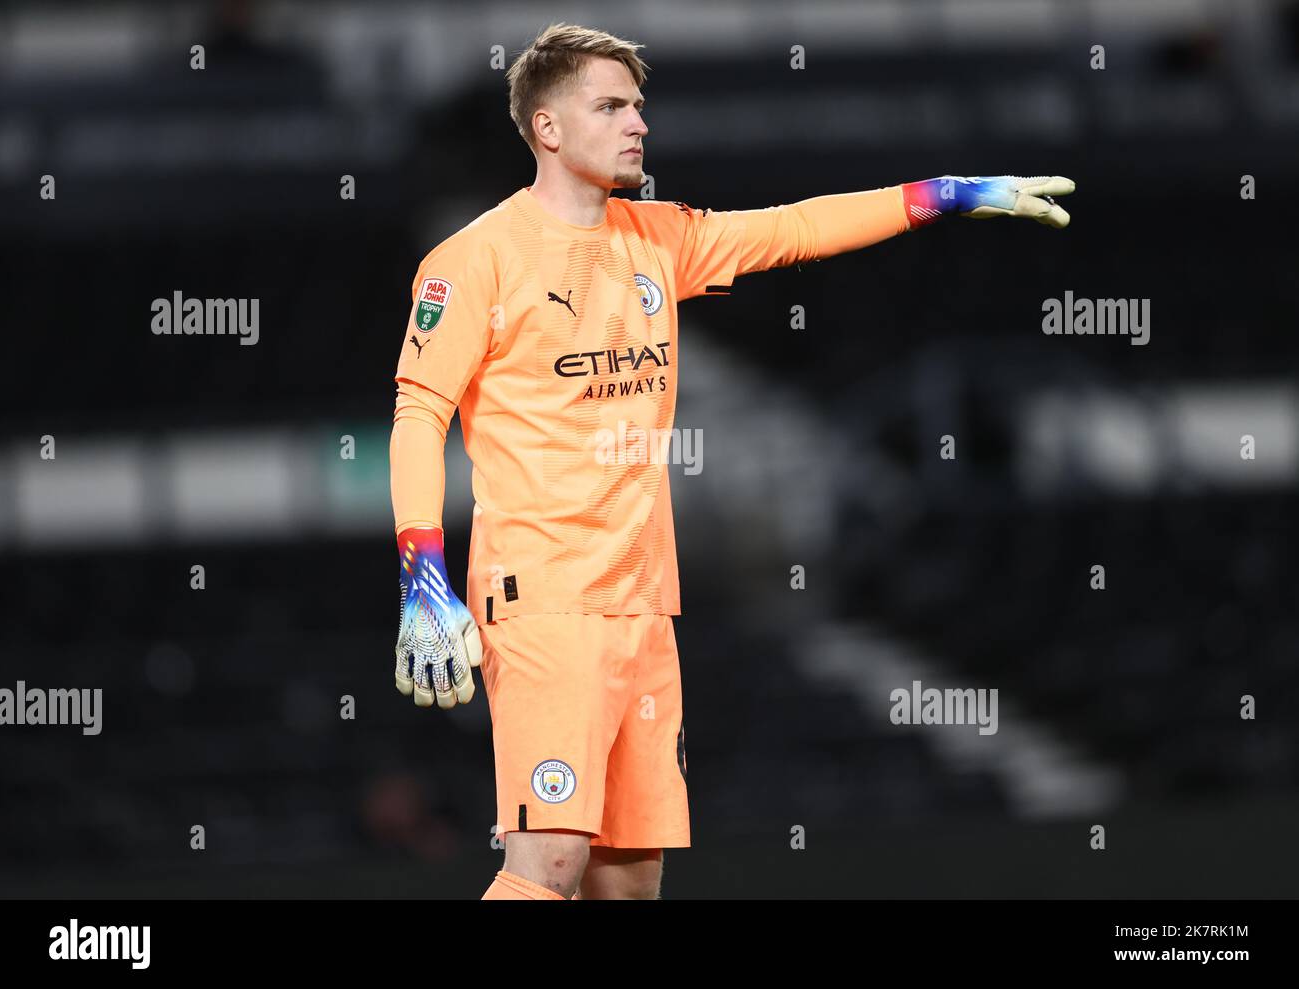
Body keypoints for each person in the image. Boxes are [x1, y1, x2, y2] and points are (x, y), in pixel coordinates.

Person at [388, 21, 1075, 900]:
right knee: (549, 859)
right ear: (548, 128)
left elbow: (794, 230)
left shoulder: (658, 241)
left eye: (638, 105)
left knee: (627, 880)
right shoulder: (472, 261)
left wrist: (938, 194)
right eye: (610, 106)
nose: (637, 123)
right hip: (542, 596)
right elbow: (418, 415)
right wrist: (423, 574)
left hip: (642, 602)